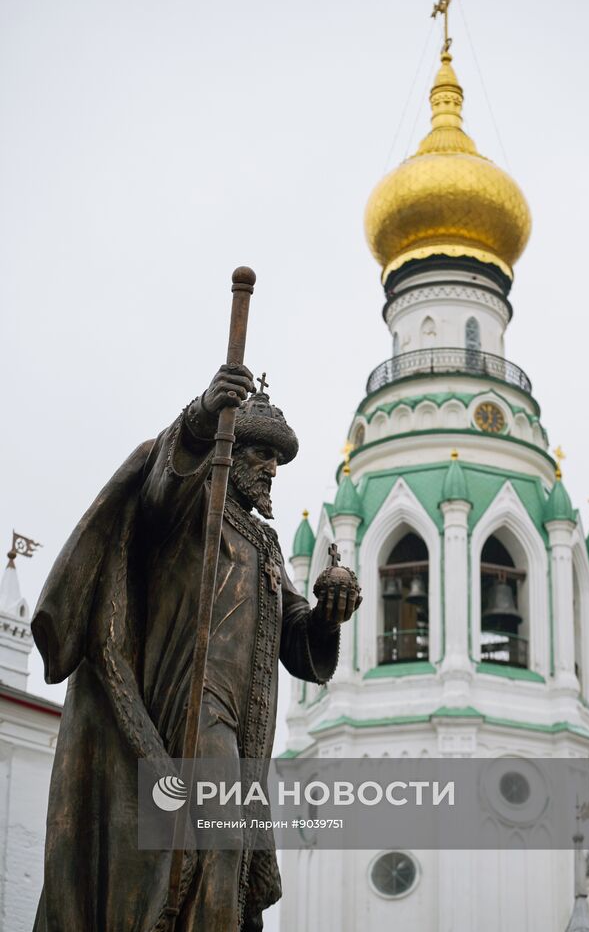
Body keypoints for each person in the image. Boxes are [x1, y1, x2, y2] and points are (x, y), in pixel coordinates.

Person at [32, 364, 361, 932]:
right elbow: (164, 481)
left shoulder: (262, 541)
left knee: (227, 862)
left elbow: (299, 643)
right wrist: (201, 415)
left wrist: (328, 615)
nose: (272, 470)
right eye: (262, 455)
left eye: (278, 461)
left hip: (242, 724)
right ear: (229, 449)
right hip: (184, 705)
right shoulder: (191, 513)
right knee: (217, 841)